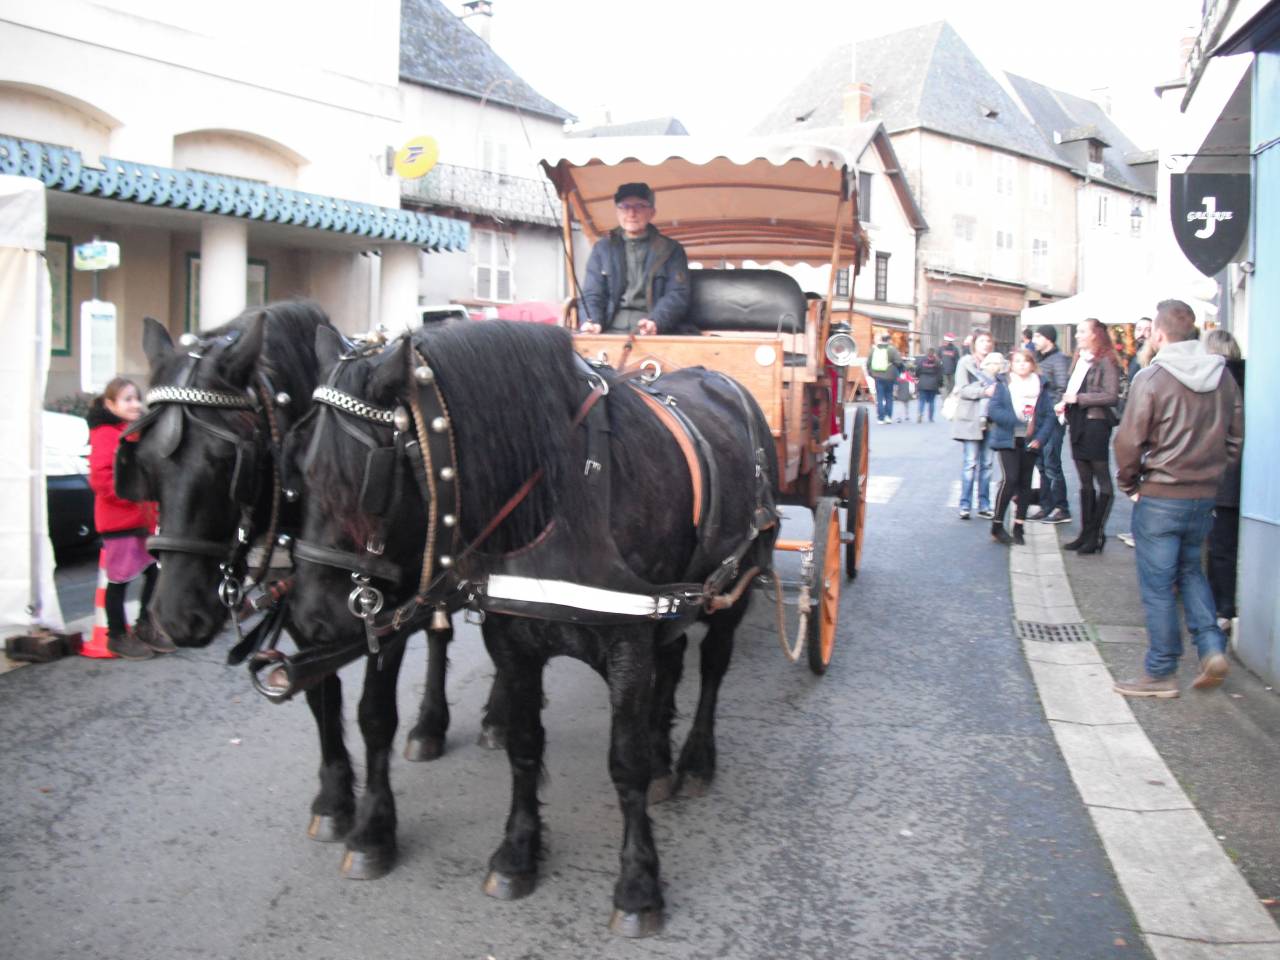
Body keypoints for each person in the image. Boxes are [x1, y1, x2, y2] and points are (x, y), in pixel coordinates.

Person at [1112, 301, 1243, 698]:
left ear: (1158, 334)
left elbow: (1128, 441)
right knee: (1191, 572)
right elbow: (1235, 438)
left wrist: (1130, 484)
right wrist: (1212, 477)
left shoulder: (1152, 377)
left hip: (1160, 495)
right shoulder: (1223, 377)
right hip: (1203, 496)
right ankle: (1211, 649)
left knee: (1158, 586)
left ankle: (1161, 671)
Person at [87, 377, 170, 661]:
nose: (135, 404)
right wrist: (134, 495)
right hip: (120, 522)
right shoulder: (105, 434)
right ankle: (116, 636)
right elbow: (101, 479)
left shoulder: (136, 431)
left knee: (154, 572)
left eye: (137, 398)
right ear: (110, 404)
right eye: (127, 399)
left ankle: (145, 624)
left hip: (143, 519)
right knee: (120, 579)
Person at [579, 182, 690, 336]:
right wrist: (592, 321)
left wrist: (656, 321)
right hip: (608, 328)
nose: (631, 213)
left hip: (654, 331)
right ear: (617, 212)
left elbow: (677, 294)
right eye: (624, 206)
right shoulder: (603, 248)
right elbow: (592, 293)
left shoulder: (671, 249)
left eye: (640, 206)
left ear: (652, 212)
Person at [1055, 318, 1120, 555]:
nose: (1077, 335)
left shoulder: (1106, 360)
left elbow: (1112, 396)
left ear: (1095, 334)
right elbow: (1073, 389)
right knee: (1084, 480)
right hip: (1078, 421)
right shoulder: (1080, 358)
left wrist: (1079, 399)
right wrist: (1065, 403)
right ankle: (1085, 533)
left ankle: (1096, 533)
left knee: (1102, 478)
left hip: (1096, 423)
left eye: (1082, 331)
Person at [986, 349, 1058, 546]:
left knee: (1026, 482)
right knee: (1010, 479)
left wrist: (1040, 438)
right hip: (1008, 438)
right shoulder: (1003, 383)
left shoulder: (1040, 385)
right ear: (1011, 364)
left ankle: (1019, 526)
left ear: (1032, 364)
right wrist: (1018, 423)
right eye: (1017, 361)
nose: (1022, 364)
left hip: (1031, 440)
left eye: (1026, 361)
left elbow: (1049, 415)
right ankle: (997, 525)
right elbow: (994, 410)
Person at [1203, 329, 1245, 633]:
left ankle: (1222, 608)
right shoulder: (1247, 379)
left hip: (1221, 476)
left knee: (1218, 547)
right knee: (1224, 546)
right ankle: (1223, 607)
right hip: (1239, 476)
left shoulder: (1217, 384)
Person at [1026, 325, 1072, 524]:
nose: (1034, 340)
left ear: (1049, 338)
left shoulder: (1058, 359)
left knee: (1052, 463)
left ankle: (1062, 508)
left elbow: (1062, 388)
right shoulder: (1038, 358)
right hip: (1037, 419)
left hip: (1051, 419)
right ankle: (1046, 506)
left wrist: (1051, 409)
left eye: (1038, 336)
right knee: (1042, 464)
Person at [951, 329, 996, 520]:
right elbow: (962, 390)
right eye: (982, 341)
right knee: (970, 463)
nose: (986, 345)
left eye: (988, 341)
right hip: (970, 418)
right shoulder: (966, 362)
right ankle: (965, 505)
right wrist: (984, 391)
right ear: (974, 344)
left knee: (987, 464)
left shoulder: (996, 363)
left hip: (991, 419)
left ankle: (984, 505)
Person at [868, 332, 902, 424]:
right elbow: (899, 362)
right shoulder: (892, 350)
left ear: (881, 339)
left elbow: (868, 363)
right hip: (890, 376)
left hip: (877, 376)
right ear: (889, 340)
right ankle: (888, 417)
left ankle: (880, 418)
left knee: (879, 397)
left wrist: (872, 374)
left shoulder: (874, 349)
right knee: (889, 396)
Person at [915, 348, 943, 422]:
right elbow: (940, 374)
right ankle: (930, 417)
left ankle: (920, 413)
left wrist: (918, 377)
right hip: (933, 383)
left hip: (923, 382)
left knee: (922, 400)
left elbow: (917, 370)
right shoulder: (937, 362)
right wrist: (940, 384)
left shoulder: (922, 360)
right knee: (932, 401)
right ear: (934, 353)